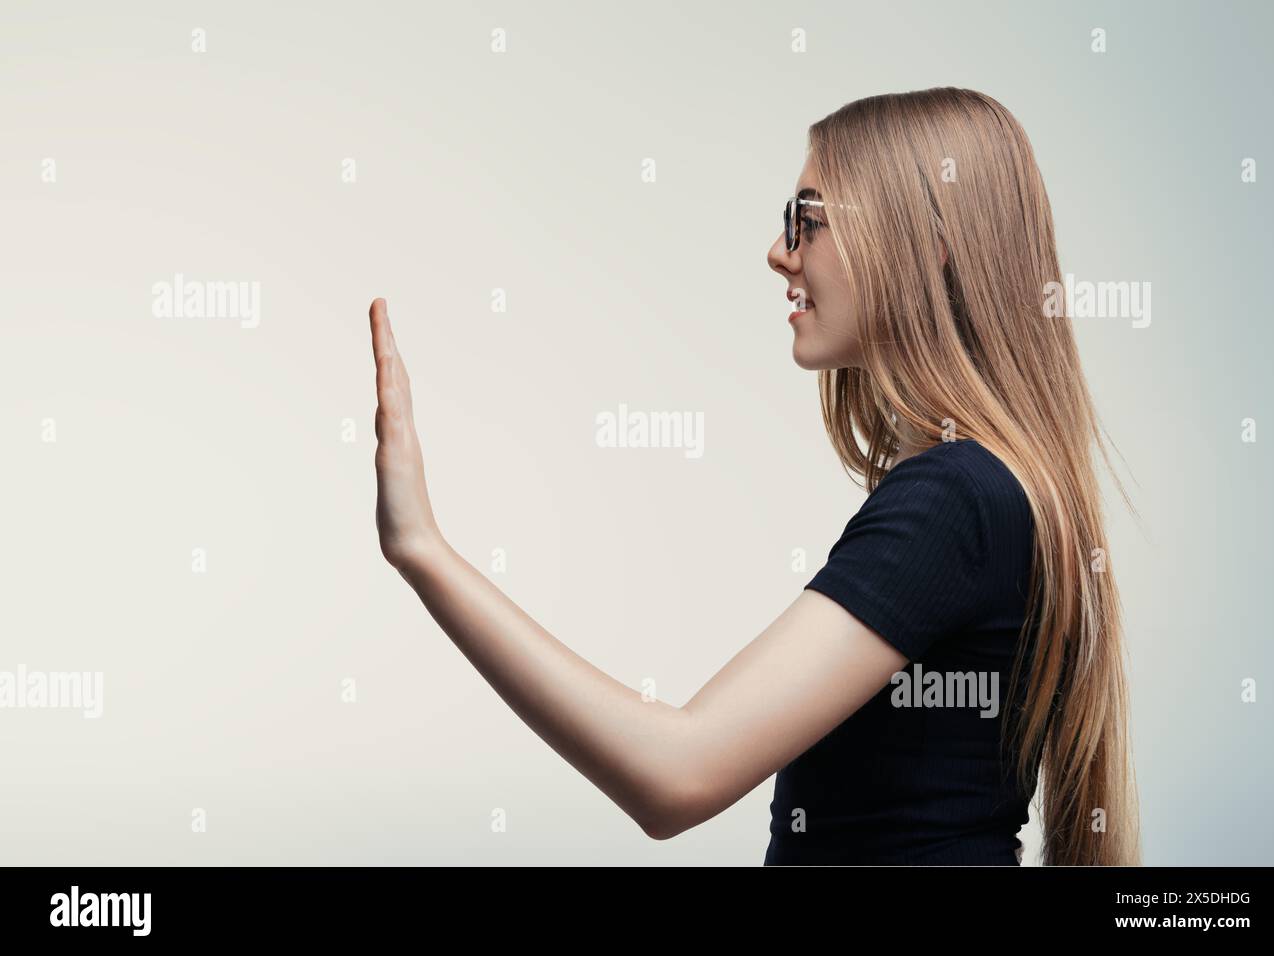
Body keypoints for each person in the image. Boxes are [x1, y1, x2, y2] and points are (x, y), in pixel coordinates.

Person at [364, 87, 1141, 866]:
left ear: (930, 242)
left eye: (808, 217)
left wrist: (424, 550)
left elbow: (676, 774)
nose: (780, 252)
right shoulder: (984, 488)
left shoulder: (956, 497)